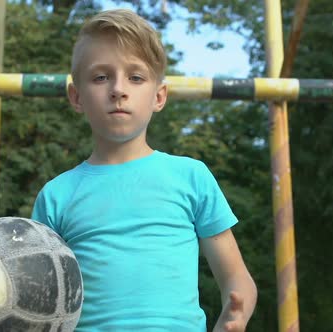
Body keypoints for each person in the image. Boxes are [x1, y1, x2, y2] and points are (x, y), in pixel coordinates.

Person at [32, 8, 257, 331]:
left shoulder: (192, 178)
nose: (118, 89)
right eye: (100, 77)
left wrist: (233, 317)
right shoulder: (56, 196)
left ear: (159, 96)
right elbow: (38, 301)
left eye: (136, 77)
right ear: (76, 96)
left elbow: (238, 280)